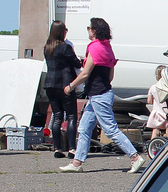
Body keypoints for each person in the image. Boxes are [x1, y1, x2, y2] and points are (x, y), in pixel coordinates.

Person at [59, 18, 146, 174]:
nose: (88, 30)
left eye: (89, 28)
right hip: (101, 94)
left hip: (99, 95)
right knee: (85, 128)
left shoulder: (95, 48)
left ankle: (135, 157)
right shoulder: (107, 48)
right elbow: (110, 76)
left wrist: (70, 86)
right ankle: (77, 163)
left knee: (110, 129)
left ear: (94, 31)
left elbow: (85, 73)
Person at [43, 21, 80, 158]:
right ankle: (71, 149)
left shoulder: (47, 47)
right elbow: (76, 63)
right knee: (71, 116)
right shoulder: (65, 47)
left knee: (57, 115)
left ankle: (57, 148)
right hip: (65, 85)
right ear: (61, 32)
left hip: (50, 84)